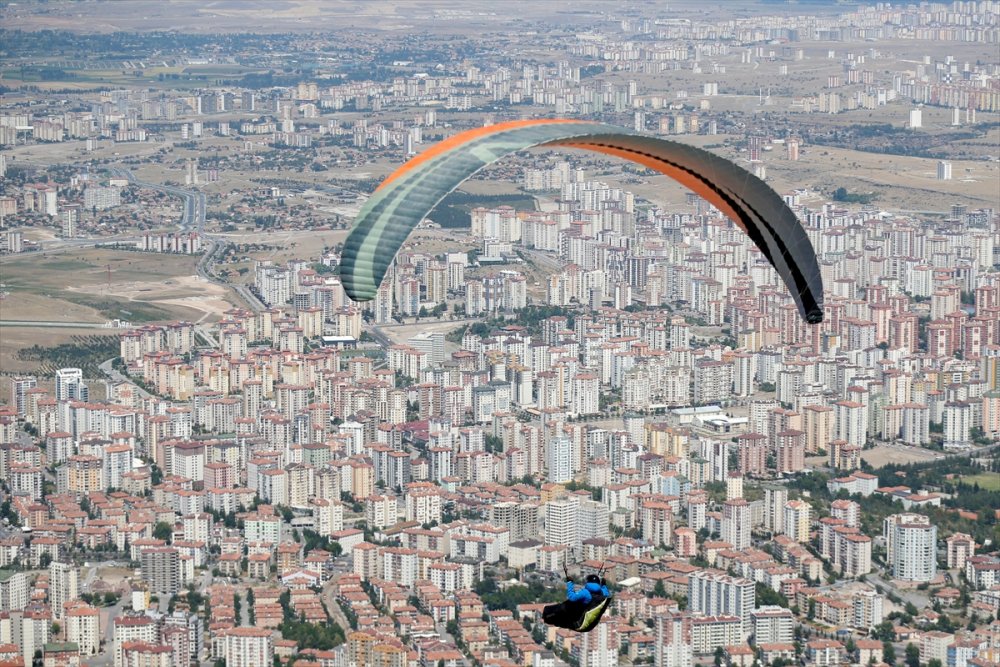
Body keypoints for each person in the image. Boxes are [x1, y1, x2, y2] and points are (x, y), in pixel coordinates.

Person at [542, 573, 612, 633]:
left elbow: (572, 597)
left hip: (579, 623)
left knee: (565, 607)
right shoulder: (602, 594)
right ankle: (547, 617)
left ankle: (546, 616)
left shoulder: (586, 593)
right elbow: (606, 591)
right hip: (590, 625)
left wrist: (570, 583)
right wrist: (603, 584)